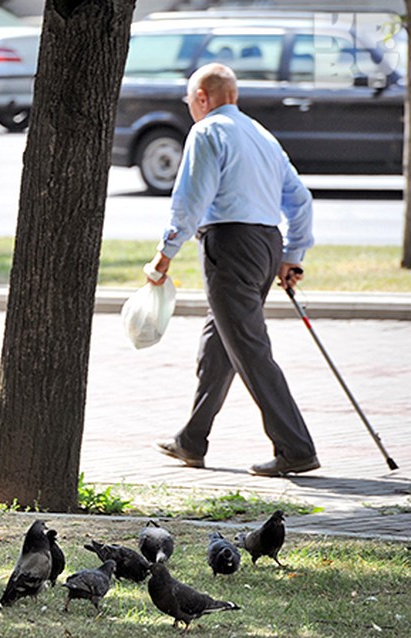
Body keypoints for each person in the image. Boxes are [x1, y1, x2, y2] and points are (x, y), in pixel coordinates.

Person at [149, 63, 320, 477]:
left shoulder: (208, 131)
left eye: (191, 100)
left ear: (203, 98)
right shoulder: (261, 134)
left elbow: (191, 198)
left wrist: (165, 252)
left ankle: (296, 448)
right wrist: (291, 254)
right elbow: (300, 200)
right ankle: (192, 439)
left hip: (231, 243)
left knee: (248, 346)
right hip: (265, 244)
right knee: (220, 341)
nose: (190, 107)